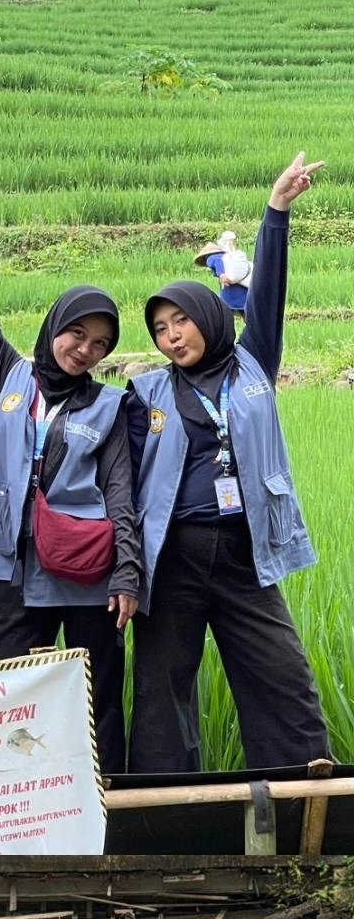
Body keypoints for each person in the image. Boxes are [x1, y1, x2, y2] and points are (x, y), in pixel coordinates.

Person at [0, 157, 140, 773]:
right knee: (8, 693)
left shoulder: (109, 405)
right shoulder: (12, 376)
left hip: (86, 570)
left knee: (97, 695)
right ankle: (16, 800)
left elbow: (121, 493)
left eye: (100, 344)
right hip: (17, 567)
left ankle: (108, 802)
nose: (85, 350)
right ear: (55, 326)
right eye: (77, 334)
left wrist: (127, 575)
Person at [127, 152, 330, 773]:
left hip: (246, 553)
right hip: (174, 556)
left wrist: (276, 210)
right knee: (162, 696)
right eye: (160, 328)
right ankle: (168, 817)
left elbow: (267, 296)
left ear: (209, 317)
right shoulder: (146, 392)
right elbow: (118, 481)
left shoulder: (252, 364)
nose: (171, 335)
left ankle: (302, 804)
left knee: (283, 682)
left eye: (181, 320)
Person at [194, 230, 251, 316]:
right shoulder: (228, 260)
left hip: (230, 296)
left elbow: (217, 262)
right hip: (244, 295)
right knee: (247, 315)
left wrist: (221, 274)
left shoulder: (211, 258)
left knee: (223, 313)